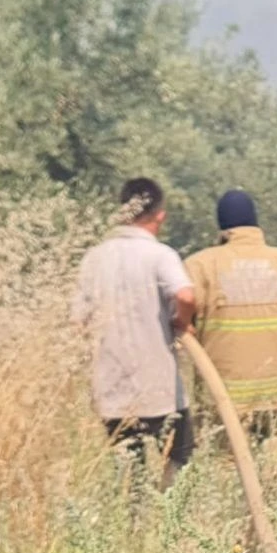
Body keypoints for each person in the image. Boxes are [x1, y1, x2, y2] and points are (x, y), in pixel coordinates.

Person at [71, 178, 197, 493]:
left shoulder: (94, 258)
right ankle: (168, 513)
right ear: (160, 215)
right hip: (159, 388)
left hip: (112, 390)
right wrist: (181, 324)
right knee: (181, 453)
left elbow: (78, 321)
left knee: (130, 473)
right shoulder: (160, 255)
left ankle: (136, 527)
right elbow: (185, 296)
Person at [183, 189, 277, 448]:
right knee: (276, 458)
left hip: (221, 397)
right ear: (256, 223)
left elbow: (182, 320)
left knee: (226, 465)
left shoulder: (199, 265)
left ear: (222, 227)